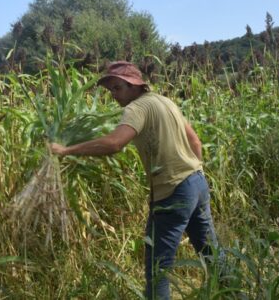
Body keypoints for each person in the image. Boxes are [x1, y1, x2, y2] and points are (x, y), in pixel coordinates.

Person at [50, 61, 221, 299]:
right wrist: (195, 174)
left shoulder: (137, 108)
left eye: (117, 88)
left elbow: (114, 143)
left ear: (133, 85)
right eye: (110, 90)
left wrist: (66, 150)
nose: (114, 95)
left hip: (172, 191)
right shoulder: (165, 102)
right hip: (197, 182)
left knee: (157, 268)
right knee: (212, 254)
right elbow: (195, 142)